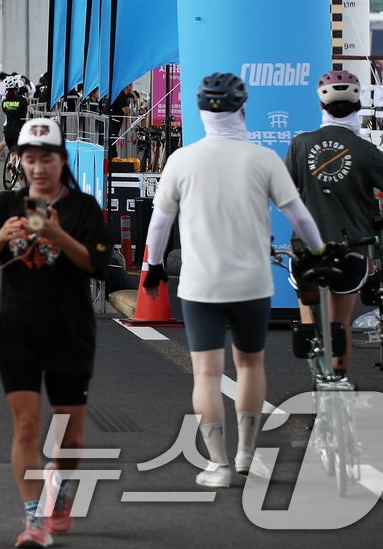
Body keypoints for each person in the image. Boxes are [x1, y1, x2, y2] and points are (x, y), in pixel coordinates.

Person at [142, 72, 326, 488]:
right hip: (253, 282)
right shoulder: (263, 158)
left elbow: (159, 223)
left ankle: (219, 465)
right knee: (250, 364)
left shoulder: (181, 160)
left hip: (201, 283)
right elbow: (297, 213)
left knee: (206, 374)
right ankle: (246, 452)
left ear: (201, 111)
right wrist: (317, 250)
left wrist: (153, 266)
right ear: (244, 110)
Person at [0, 118, 114, 548]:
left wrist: (57, 234)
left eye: (46, 159)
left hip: (69, 332)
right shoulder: (4, 206)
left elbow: (98, 266)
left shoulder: (83, 208)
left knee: (70, 435)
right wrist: (1, 234)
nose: (37, 168)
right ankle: (33, 518)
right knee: (27, 426)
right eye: (29, 159)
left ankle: (63, 488)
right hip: (16, 330)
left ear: (61, 161)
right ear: (20, 161)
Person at [284, 69, 383, 374]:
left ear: (321, 106)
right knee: (339, 326)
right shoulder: (364, 149)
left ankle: (320, 384)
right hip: (352, 249)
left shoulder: (300, 145)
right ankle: (339, 391)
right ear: (358, 102)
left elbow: (284, 195)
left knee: (313, 327)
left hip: (307, 250)